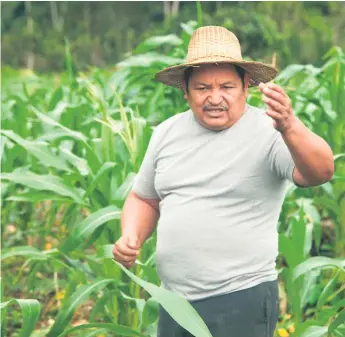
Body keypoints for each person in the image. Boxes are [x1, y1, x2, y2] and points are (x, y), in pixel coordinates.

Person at [112, 26, 334, 337]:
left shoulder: (270, 132)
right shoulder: (166, 132)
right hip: (174, 301)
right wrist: (131, 236)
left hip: (241, 297)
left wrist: (290, 125)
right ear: (185, 90)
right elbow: (144, 198)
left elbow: (321, 171)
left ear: (246, 86)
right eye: (202, 88)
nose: (214, 98)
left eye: (226, 86)